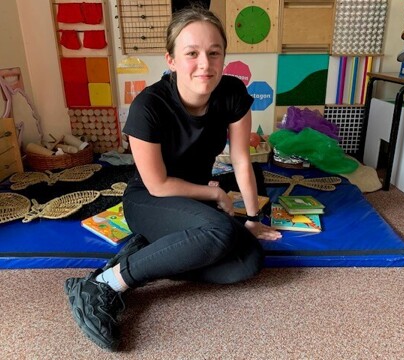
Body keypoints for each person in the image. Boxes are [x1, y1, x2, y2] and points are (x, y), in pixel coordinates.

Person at [64, 5, 282, 352]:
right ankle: (103, 285)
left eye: (214, 53)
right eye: (191, 53)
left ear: (224, 57)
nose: (205, 64)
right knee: (221, 231)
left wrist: (253, 220)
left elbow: (241, 158)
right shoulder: (148, 105)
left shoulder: (232, 94)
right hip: (149, 199)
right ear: (171, 59)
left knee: (249, 261)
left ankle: (152, 251)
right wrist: (214, 196)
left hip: (192, 201)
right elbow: (157, 185)